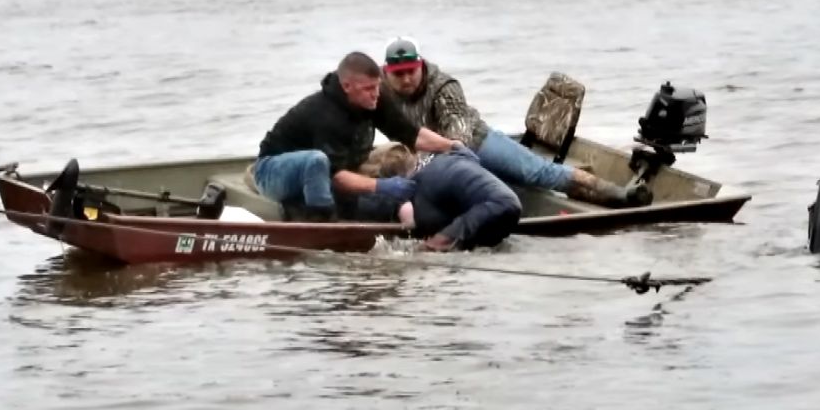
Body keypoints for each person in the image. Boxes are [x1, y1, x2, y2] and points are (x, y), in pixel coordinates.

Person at [379, 36, 652, 208]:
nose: (405, 79)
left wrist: (426, 165)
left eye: (410, 72)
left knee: (538, 173)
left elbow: (458, 138)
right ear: (386, 72)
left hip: (476, 143)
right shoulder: (377, 91)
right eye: (398, 74)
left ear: (421, 65)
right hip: (432, 160)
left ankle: (618, 194)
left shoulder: (444, 87)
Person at [253, 51, 463, 222]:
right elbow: (336, 177)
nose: (376, 94)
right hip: (273, 171)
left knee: (395, 159)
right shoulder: (325, 115)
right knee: (317, 163)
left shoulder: (374, 98)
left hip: (334, 169)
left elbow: (412, 135)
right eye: (369, 89)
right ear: (347, 87)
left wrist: (452, 146)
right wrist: (383, 187)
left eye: (378, 87)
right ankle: (320, 220)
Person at [360, 141, 522, 251]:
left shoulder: (419, 186)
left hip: (497, 206)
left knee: (425, 249)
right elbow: (463, 149)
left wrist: (437, 240)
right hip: (506, 204)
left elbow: (422, 223)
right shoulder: (451, 156)